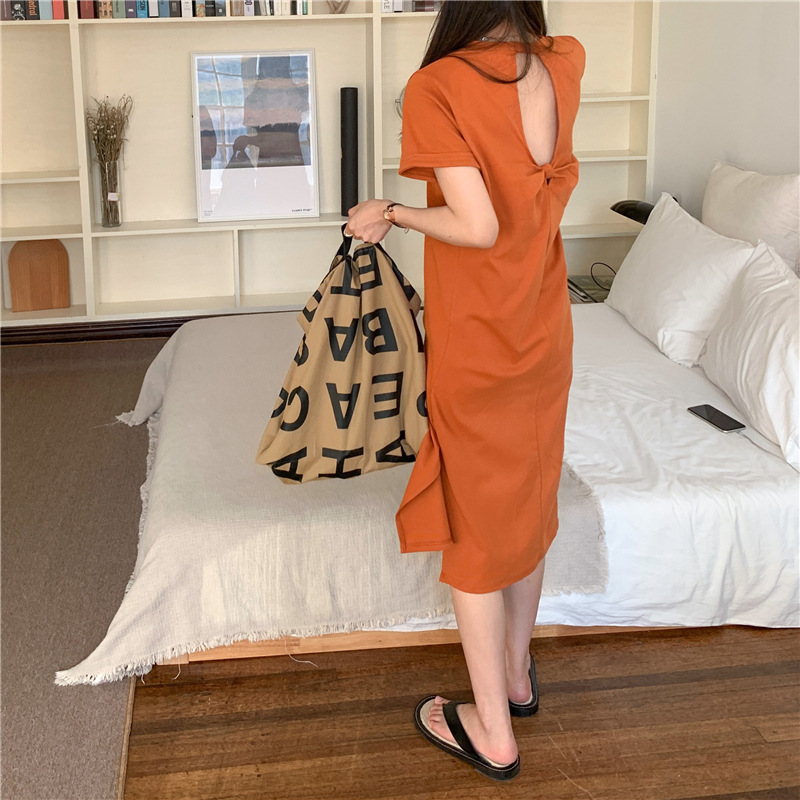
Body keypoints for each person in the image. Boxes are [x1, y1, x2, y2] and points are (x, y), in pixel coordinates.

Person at [345, 0, 585, 782]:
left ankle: (494, 733)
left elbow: (478, 226)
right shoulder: (564, 61)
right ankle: (515, 678)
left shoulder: (438, 86)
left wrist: (391, 212)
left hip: (480, 343)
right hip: (543, 331)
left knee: (476, 527)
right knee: (528, 503)